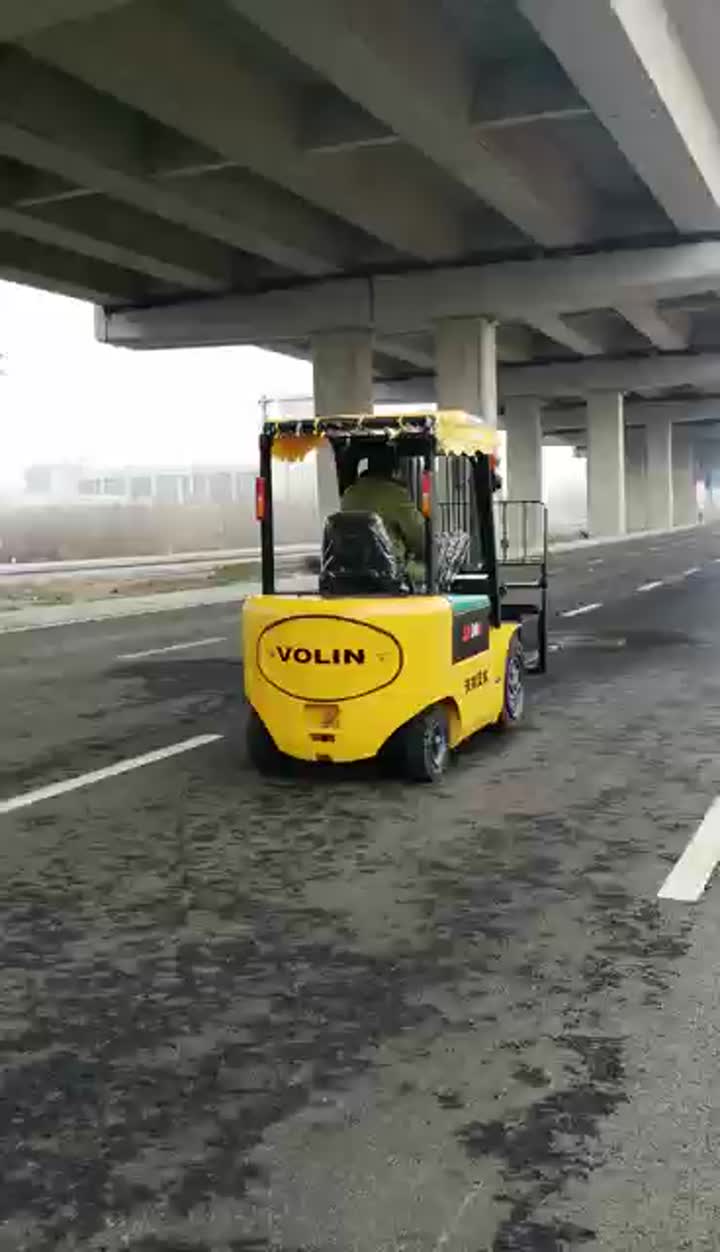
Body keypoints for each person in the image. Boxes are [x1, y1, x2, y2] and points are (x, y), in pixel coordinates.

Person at [340, 443, 425, 573]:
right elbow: (419, 537)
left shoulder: (349, 494)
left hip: (354, 568)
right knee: (426, 571)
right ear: (394, 468)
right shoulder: (395, 494)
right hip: (389, 570)